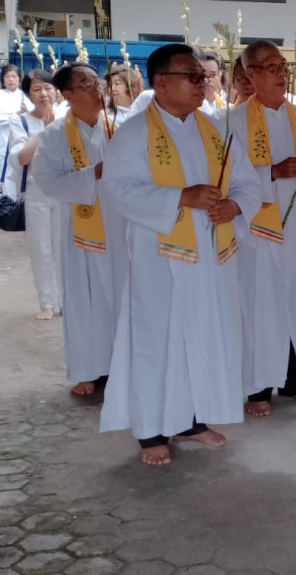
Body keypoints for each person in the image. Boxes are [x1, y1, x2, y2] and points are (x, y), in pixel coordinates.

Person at [100, 43, 262, 467]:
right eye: (191, 76)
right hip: (161, 259)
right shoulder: (134, 134)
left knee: (203, 335)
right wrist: (181, 197)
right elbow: (117, 190)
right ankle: (150, 430)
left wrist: (235, 206)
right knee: (158, 340)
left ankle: (190, 420)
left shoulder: (215, 130)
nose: (201, 83)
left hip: (212, 258)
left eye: (203, 76)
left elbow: (247, 182)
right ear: (160, 83)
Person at [231, 40, 296, 416]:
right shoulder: (233, 122)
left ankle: (294, 381)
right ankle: (258, 387)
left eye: (284, 66)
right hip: (259, 234)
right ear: (251, 75)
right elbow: (227, 178)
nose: (282, 74)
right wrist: (274, 171)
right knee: (262, 307)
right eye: (272, 67)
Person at [31, 64, 118, 394]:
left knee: (119, 295)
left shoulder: (117, 128)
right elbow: (48, 181)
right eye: (86, 85)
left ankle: (120, 365)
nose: (98, 91)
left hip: (119, 226)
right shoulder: (54, 135)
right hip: (79, 230)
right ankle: (88, 369)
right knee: (84, 298)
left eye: (98, 83)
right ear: (67, 94)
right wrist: (93, 174)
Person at [0, 70, 61, 320]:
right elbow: (21, 158)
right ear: (28, 94)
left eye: (48, 88)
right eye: (36, 89)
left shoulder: (67, 117)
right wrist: (45, 130)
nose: (44, 94)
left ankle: (67, 300)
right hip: (36, 192)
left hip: (65, 192)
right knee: (41, 249)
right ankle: (47, 303)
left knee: (64, 249)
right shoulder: (20, 121)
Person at [0, 64, 32, 199]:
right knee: (2, 170)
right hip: (2, 138)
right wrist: (14, 114)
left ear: (19, 79)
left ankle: (18, 201)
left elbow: (33, 116)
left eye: (14, 76)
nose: (11, 79)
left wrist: (26, 112)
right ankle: (2, 201)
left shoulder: (25, 96)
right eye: (7, 76)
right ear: (3, 79)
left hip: (19, 138)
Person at [199, 51, 228, 118]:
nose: (208, 80)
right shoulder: (187, 109)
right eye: (204, 75)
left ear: (219, 75)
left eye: (213, 75)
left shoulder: (228, 109)